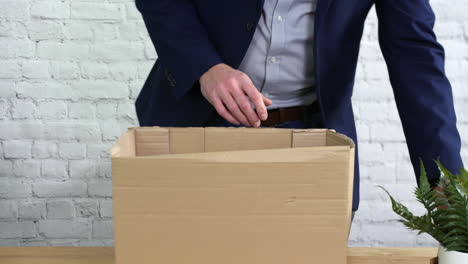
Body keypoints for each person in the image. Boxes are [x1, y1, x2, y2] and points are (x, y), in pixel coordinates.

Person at [133, 0, 465, 223]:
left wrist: (444, 180)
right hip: (195, 122)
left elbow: (415, 57)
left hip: (313, 138)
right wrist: (205, 67)